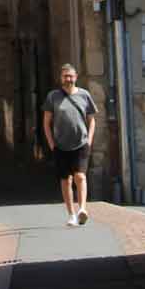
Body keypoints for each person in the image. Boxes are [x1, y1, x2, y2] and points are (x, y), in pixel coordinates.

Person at [43, 63, 98, 226]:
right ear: (61, 78)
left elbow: (92, 119)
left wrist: (89, 140)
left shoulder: (84, 95)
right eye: (65, 76)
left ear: (76, 77)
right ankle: (71, 214)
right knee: (65, 180)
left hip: (80, 142)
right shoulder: (53, 97)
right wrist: (51, 143)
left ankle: (82, 209)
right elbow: (46, 122)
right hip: (60, 145)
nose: (68, 79)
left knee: (80, 176)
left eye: (71, 76)